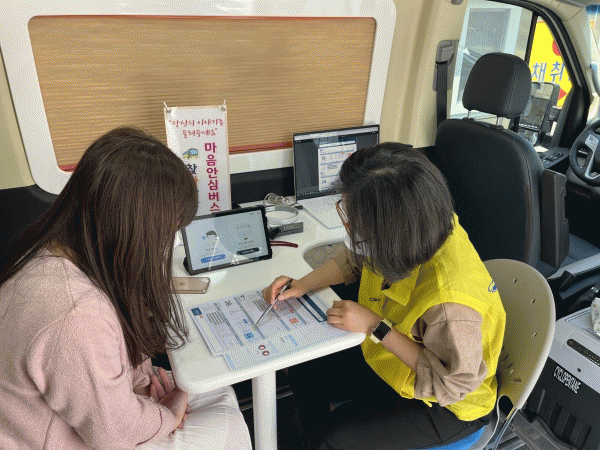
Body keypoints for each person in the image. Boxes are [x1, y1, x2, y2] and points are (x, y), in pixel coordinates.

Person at [0, 127, 252, 450]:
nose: (170, 243)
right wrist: (168, 414)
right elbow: (114, 433)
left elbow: (98, 372)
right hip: (57, 439)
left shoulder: (54, 252)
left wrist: (143, 383)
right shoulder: (77, 316)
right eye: (168, 232)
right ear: (135, 228)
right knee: (226, 426)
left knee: (218, 390)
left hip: (72, 418)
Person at [262, 143, 506, 450]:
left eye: (354, 218)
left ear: (390, 233)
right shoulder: (418, 225)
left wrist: (374, 326)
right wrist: (302, 284)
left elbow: (451, 385)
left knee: (329, 441)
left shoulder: (450, 304)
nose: (347, 224)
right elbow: (356, 257)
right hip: (395, 358)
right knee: (305, 367)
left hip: (447, 405)